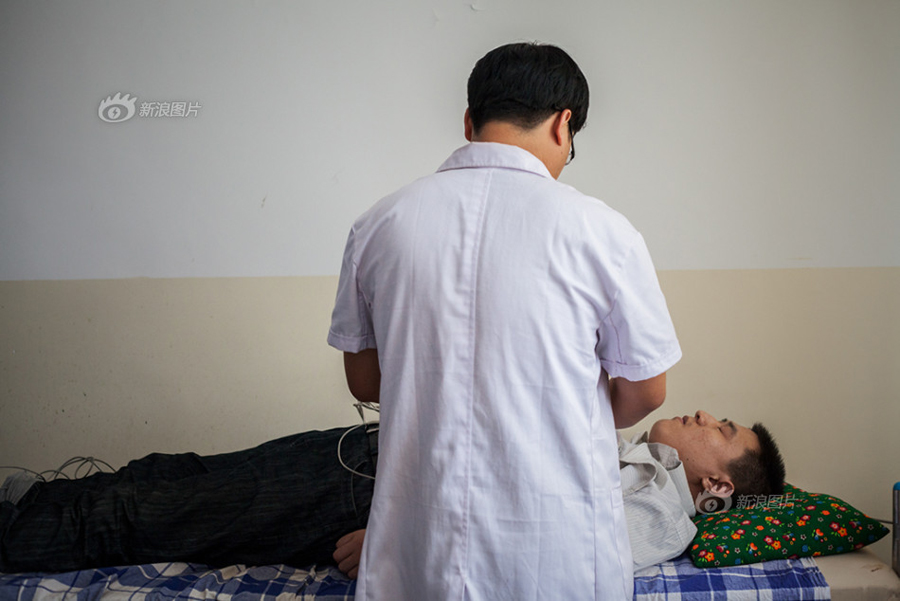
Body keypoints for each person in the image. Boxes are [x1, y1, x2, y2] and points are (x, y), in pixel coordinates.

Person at [327, 42, 682, 599]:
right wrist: (563, 409)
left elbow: (365, 382)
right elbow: (647, 390)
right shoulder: (603, 233)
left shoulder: (379, 224)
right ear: (565, 125)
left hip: (419, 545)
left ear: (469, 121)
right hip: (554, 550)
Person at [0, 411, 785, 576]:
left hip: (366, 496)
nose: (702, 415)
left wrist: (398, 540)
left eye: (721, 431)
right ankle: (27, 506)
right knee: (167, 474)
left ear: (718, 482)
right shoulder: (627, 450)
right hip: (372, 456)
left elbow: (540, 543)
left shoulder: (656, 516)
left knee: (136, 515)